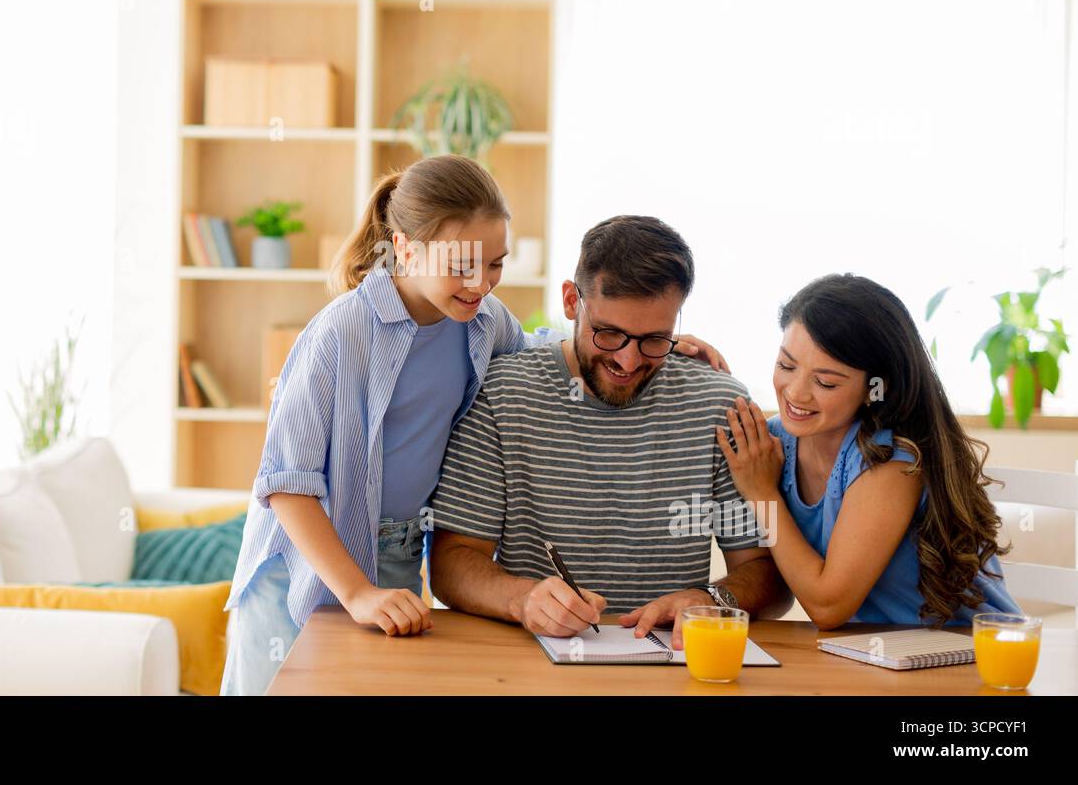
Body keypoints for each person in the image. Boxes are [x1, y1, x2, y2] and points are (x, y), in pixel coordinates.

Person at [221, 156, 734, 694]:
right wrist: (355, 593)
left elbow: (545, 352)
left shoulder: (482, 321)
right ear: (403, 248)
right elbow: (286, 484)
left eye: (495, 263)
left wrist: (666, 346)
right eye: (462, 264)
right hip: (305, 564)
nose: (481, 283)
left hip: (394, 557)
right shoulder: (340, 333)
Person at [428, 215, 793, 648]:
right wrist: (524, 600)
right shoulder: (502, 392)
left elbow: (772, 576)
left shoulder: (719, 405)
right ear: (570, 301)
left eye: (655, 339)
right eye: (609, 334)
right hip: (530, 665)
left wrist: (712, 598)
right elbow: (451, 565)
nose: (629, 361)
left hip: (674, 667)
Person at [717, 273, 1021, 628]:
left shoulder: (890, 457)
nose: (796, 393)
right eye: (786, 365)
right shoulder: (772, 446)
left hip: (968, 656)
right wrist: (677, 351)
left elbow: (828, 607)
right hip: (873, 656)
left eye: (825, 381)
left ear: (874, 389)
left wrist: (762, 492)